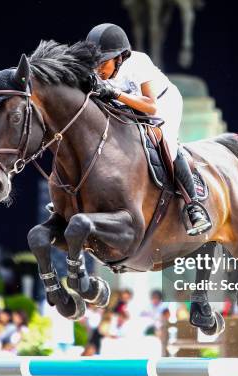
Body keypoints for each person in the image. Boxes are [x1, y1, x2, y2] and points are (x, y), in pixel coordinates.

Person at [86, 23, 211, 235]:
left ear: (119, 57)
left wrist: (115, 94)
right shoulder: (99, 72)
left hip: (163, 102)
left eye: (102, 64)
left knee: (167, 144)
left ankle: (193, 206)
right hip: (128, 108)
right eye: (94, 65)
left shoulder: (139, 62)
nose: (98, 71)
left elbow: (151, 107)